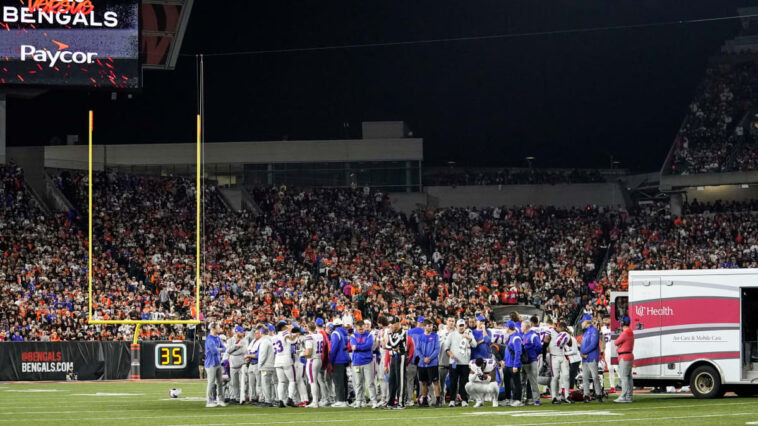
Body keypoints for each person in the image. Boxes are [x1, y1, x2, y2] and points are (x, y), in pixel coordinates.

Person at [444, 318, 476, 407]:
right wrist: (450, 354)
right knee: (453, 382)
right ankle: (452, 400)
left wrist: (468, 338)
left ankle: (464, 400)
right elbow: (446, 347)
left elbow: (474, 344)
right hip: (454, 362)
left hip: (465, 362)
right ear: (456, 326)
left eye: (463, 326)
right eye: (460, 326)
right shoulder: (451, 335)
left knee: (464, 383)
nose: (461, 328)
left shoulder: (469, 333)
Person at [350, 320, 378, 408]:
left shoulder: (369, 335)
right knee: (358, 383)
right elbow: (353, 347)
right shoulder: (353, 335)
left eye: (362, 329)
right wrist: (362, 347)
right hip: (357, 362)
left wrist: (358, 347)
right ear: (356, 328)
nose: (361, 330)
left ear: (364, 327)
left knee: (370, 383)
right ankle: (359, 401)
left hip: (367, 361)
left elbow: (368, 345)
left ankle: (374, 401)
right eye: (359, 329)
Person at [416, 319, 441, 407]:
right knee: (423, 382)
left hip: (432, 363)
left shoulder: (435, 336)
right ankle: (425, 400)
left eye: (431, 326)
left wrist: (429, 358)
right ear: (424, 326)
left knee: (435, 382)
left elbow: (437, 349)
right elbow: (417, 349)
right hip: (422, 363)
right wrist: (423, 358)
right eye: (428, 326)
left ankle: (438, 400)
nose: (430, 327)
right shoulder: (420, 337)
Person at [385, 315, 408, 409]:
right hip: (394, 357)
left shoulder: (402, 331)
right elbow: (387, 345)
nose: (392, 325)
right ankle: (390, 402)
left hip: (401, 356)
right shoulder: (394, 332)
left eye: (393, 323)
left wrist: (390, 336)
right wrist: (393, 347)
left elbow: (394, 343)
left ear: (398, 323)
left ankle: (401, 402)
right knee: (392, 380)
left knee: (400, 380)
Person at [579, 315, 603, 403]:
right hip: (585, 358)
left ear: (587, 321)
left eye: (583, 321)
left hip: (592, 357)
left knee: (595, 377)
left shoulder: (594, 331)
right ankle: (586, 395)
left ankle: (599, 394)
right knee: (585, 377)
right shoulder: (586, 332)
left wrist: (583, 352)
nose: (582, 323)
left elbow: (593, 344)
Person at [273, 322, 298, 407]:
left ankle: (280, 401)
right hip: (286, 359)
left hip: (277, 360)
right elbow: (292, 341)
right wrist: (295, 334)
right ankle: (290, 399)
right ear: (283, 327)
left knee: (281, 382)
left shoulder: (275, 336)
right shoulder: (285, 333)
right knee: (292, 380)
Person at [302, 321, 326, 408]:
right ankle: (317, 400)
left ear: (308, 328)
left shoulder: (309, 337)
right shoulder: (319, 335)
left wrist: (301, 354)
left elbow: (308, 352)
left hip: (312, 360)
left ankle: (315, 402)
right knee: (315, 381)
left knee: (312, 381)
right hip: (319, 359)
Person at [205, 322, 227, 408]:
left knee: (220, 382)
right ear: (213, 329)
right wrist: (219, 349)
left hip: (217, 362)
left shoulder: (217, 338)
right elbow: (214, 351)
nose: (219, 329)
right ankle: (209, 401)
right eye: (218, 328)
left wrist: (218, 349)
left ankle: (220, 400)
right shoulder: (209, 339)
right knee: (211, 383)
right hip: (211, 363)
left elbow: (224, 348)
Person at [548, 321, 571, 404]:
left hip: (562, 355)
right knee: (555, 377)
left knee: (566, 376)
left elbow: (570, 344)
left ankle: (567, 396)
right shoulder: (551, 332)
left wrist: (568, 337)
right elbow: (546, 342)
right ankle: (554, 397)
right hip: (554, 356)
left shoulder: (565, 334)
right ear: (559, 327)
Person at [329, 318, 350, 407]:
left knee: (338, 380)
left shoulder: (335, 333)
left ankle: (340, 400)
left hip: (338, 359)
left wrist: (330, 360)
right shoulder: (343, 332)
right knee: (344, 380)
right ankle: (344, 399)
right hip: (344, 358)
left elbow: (334, 348)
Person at [613, 317, 634, 403]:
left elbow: (616, 342)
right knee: (629, 377)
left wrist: (619, 346)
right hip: (629, 355)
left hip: (624, 356)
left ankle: (623, 396)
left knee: (624, 377)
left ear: (622, 324)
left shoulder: (625, 333)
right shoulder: (631, 332)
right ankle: (629, 396)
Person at [226, 325, 249, 404]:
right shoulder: (230, 340)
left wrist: (233, 351)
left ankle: (243, 398)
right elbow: (228, 351)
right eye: (241, 332)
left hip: (242, 363)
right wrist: (236, 346)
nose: (243, 333)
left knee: (243, 382)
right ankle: (236, 398)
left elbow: (243, 351)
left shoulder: (244, 340)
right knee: (234, 383)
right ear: (236, 332)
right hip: (233, 364)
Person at [521, 320, 542, 406]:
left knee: (533, 380)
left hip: (531, 360)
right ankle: (522, 398)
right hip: (524, 361)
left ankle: (536, 399)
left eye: (522, 326)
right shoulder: (523, 335)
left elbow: (539, 346)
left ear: (526, 327)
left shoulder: (533, 335)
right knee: (522, 380)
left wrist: (535, 355)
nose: (521, 328)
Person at [504, 321, 524, 407]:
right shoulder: (511, 337)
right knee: (507, 382)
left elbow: (518, 351)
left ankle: (518, 400)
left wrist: (516, 365)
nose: (505, 328)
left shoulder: (516, 338)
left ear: (508, 328)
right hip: (508, 363)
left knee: (516, 382)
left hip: (513, 364)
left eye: (506, 327)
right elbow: (507, 351)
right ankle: (508, 399)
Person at [245, 325, 265, 404]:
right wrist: (247, 356)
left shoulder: (262, 342)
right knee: (251, 383)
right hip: (251, 364)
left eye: (257, 333)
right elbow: (248, 351)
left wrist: (248, 356)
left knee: (259, 383)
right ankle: (252, 398)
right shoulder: (253, 342)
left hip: (257, 364)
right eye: (255, 333)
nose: (255, 335)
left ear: (261, 334)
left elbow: (258, 355)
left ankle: (260, 398)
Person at [257, 324, 276, 407]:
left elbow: (262, 355)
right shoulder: (272, 339)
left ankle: (268, 401)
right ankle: (273, 399)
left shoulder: (264, 341)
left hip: (265, 366)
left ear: (261, 332)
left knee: (265, 384)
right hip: (273, 365)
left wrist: (259, 365)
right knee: (273, 383)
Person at [437, 317, 455, 401]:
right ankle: (441, 398)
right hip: (442, 360)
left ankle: (454, 399)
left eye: (453, 321)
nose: (451, 322)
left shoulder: (457, 333)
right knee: (441, 381)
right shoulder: (440, 333)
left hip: (454, 360)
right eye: (450, 321)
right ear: (446, 322)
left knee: (455, 380)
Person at [600, 316, 619, 392]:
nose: (605, 321)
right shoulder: (603, 328)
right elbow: (604, 340)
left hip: (615, 349)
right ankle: (612, 387)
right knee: (610, 369)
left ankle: (623, 385)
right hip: (607, 350)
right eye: (604, 319)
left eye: (607, 319)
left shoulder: (616, 328)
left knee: (617, 368)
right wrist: (602, 349)